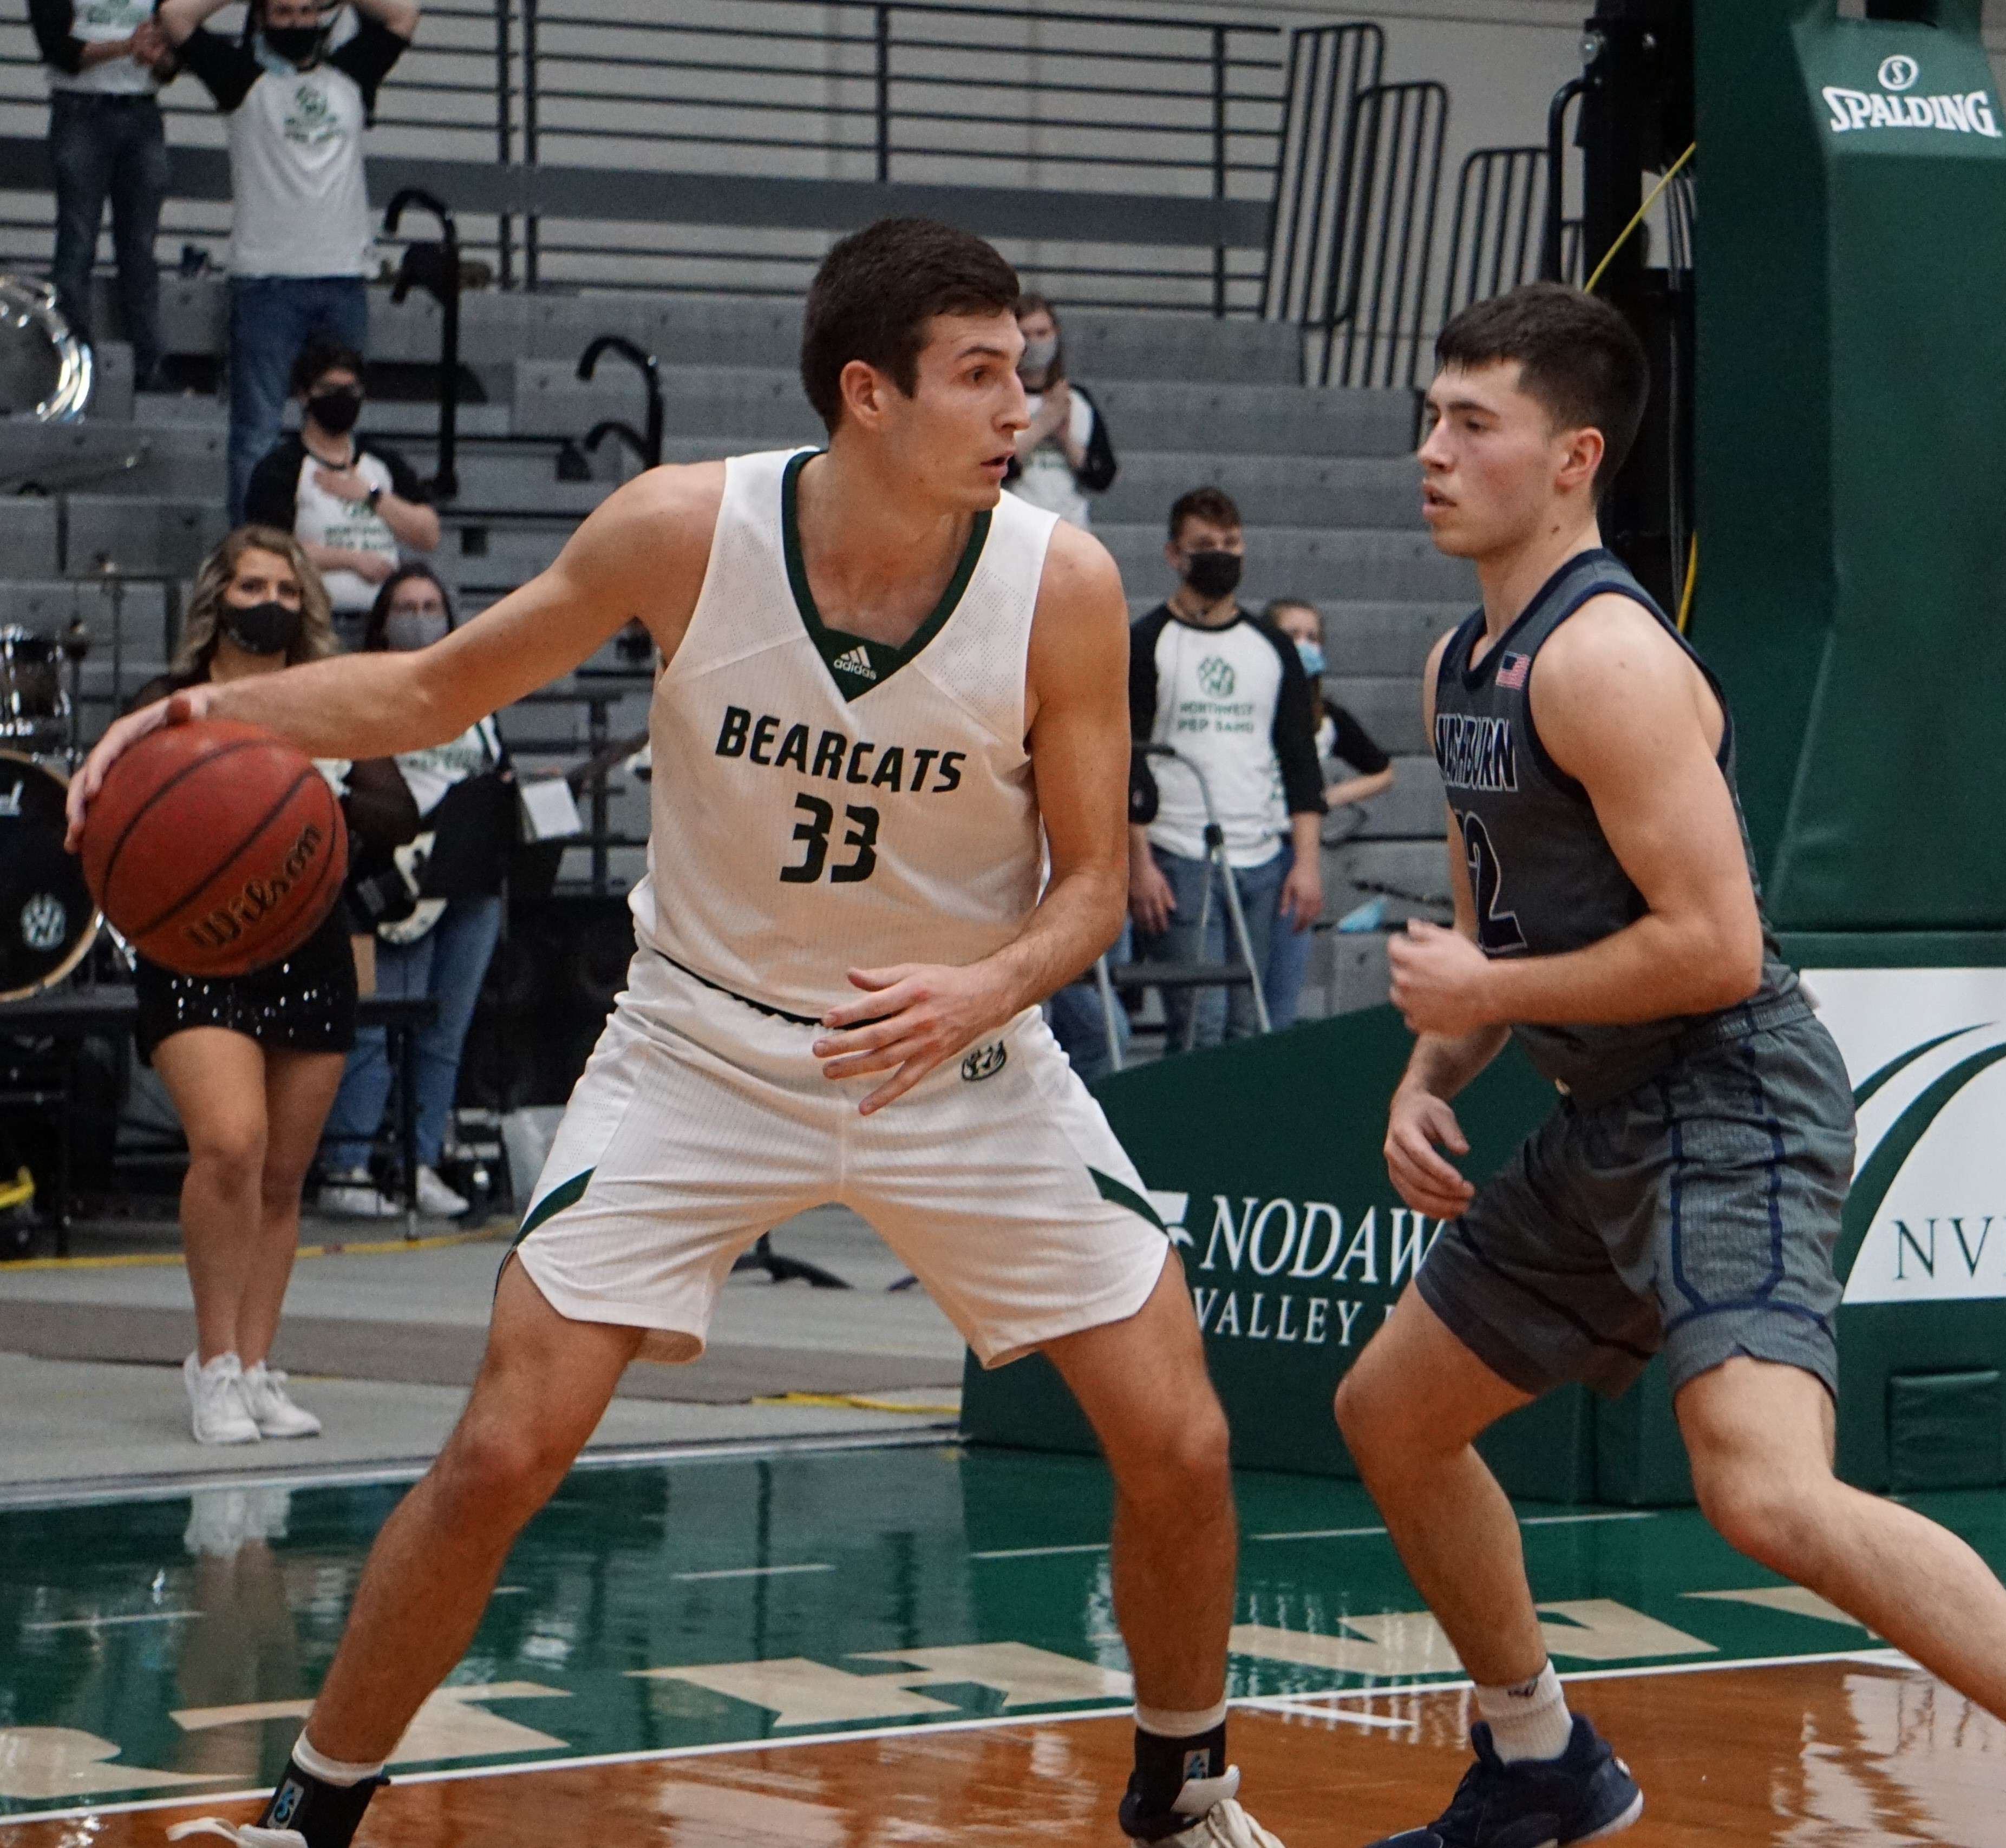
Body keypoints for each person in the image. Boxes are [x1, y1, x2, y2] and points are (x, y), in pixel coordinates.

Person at [72, 217, 1279, 1848]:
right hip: (702, 1047)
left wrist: (986, 988)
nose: (1020, 411)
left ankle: (1182, 1785)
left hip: (957, 1055)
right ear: (869, 393)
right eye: (980, 376)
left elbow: (1084, 888)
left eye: (1022, 373)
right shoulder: (682, 531)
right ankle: (310, 1812)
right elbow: (431, 691)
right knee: (503, 1445)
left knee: (1183, 1435)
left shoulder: (1058, 583)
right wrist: (203, 714)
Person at [1328, 281, 2006, 1848]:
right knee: (1388, 1412)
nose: (1428, 448)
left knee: (1761, 1491)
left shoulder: (1604, 660)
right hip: (1602, 1112)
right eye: (1427, 415)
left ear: (1569, 458)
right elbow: (1496, 918)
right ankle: (1538, 1752)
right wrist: (1431, 1066)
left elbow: (1710, 941)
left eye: (1467, 422)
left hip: (1724, 1094)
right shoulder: (1460, 664)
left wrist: (1482, 982)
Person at [130, 527, 416, 1446]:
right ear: (218, 597)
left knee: (284, 1175)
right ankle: (210, 1364)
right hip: (195, 943)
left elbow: (396, 808)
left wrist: (293, 804)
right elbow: (106, 811)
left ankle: (256, 1365)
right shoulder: (169, 703)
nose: (272, 603)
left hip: (308, 942)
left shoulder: (331, 699)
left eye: (289, 591)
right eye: (253, 585)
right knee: (229, 1143)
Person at [154, 0, 420, 522]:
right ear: (261, 17)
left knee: (341, 426)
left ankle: (334, 544)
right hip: (267, 285)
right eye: (282, 11)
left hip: (344, 279)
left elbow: (403, 14)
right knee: (255, 432)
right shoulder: (239, 79)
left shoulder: (351, 74)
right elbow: (177, 16)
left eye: (306, 11)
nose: (297, 22)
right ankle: (251, 550)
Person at [317, 565, 513, 1222]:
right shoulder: (365, 689)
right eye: (406, 606)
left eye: (432, 605)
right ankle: (348, 1162)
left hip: (467, 879)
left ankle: (420, 1161)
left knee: (444, 1033)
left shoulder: (477, 693)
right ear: (380, 619)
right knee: (376, 1028)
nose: (421, 616)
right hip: (388, 880)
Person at [1129, 487, 1324, 1049]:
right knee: (1200, 1025)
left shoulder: (1271, 646)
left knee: (1252, 1026)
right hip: (1179, 855)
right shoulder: (1147, 642)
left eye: (1231, 543)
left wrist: (1306, 862)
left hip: (1262, 856)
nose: (1222, 554)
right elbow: (1128, 769)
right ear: (1174, 555)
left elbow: (1300, 762)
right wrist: (1139, 864)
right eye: (1205, 545)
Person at [245, 341, 441, 638]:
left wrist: (371, 497)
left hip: (385, 625)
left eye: (351, 391)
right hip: (316, 622)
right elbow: (271, 548)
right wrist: (352, 560)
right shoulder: (281, 468)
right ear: (304, 395)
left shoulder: (382, 463)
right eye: (330, 390)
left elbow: (428, 533)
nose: (342, 399)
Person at [1259, 597, 1394, 1028]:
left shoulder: (1326, 717)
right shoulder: (1250, 706)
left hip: (1293, 851)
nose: (1303, 644)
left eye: (1311, 637)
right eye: (1291, 636)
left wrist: (1324, 798)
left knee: (1281, 994)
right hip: (1241, 846)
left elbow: (1381, 771)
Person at [32, 0, 173, 390]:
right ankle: (76, 362)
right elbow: (61, 52)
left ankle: (148, 365)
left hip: (142, 111)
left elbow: (172, 62)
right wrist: (127, 47)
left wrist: (159, 58)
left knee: (140, 249)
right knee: (77, 243)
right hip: (80, 111)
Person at [1003, 292, 1115, 530]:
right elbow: (1000, 469)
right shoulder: (999, 398)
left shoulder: (1078, 400)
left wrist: (1065, 438)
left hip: (1070, 526)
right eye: (1026, 335)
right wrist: (1043, 424)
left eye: (1042, 334)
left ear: (1056, 334)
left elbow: (1102, 475)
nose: (1035, 343)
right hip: (1016, 527)